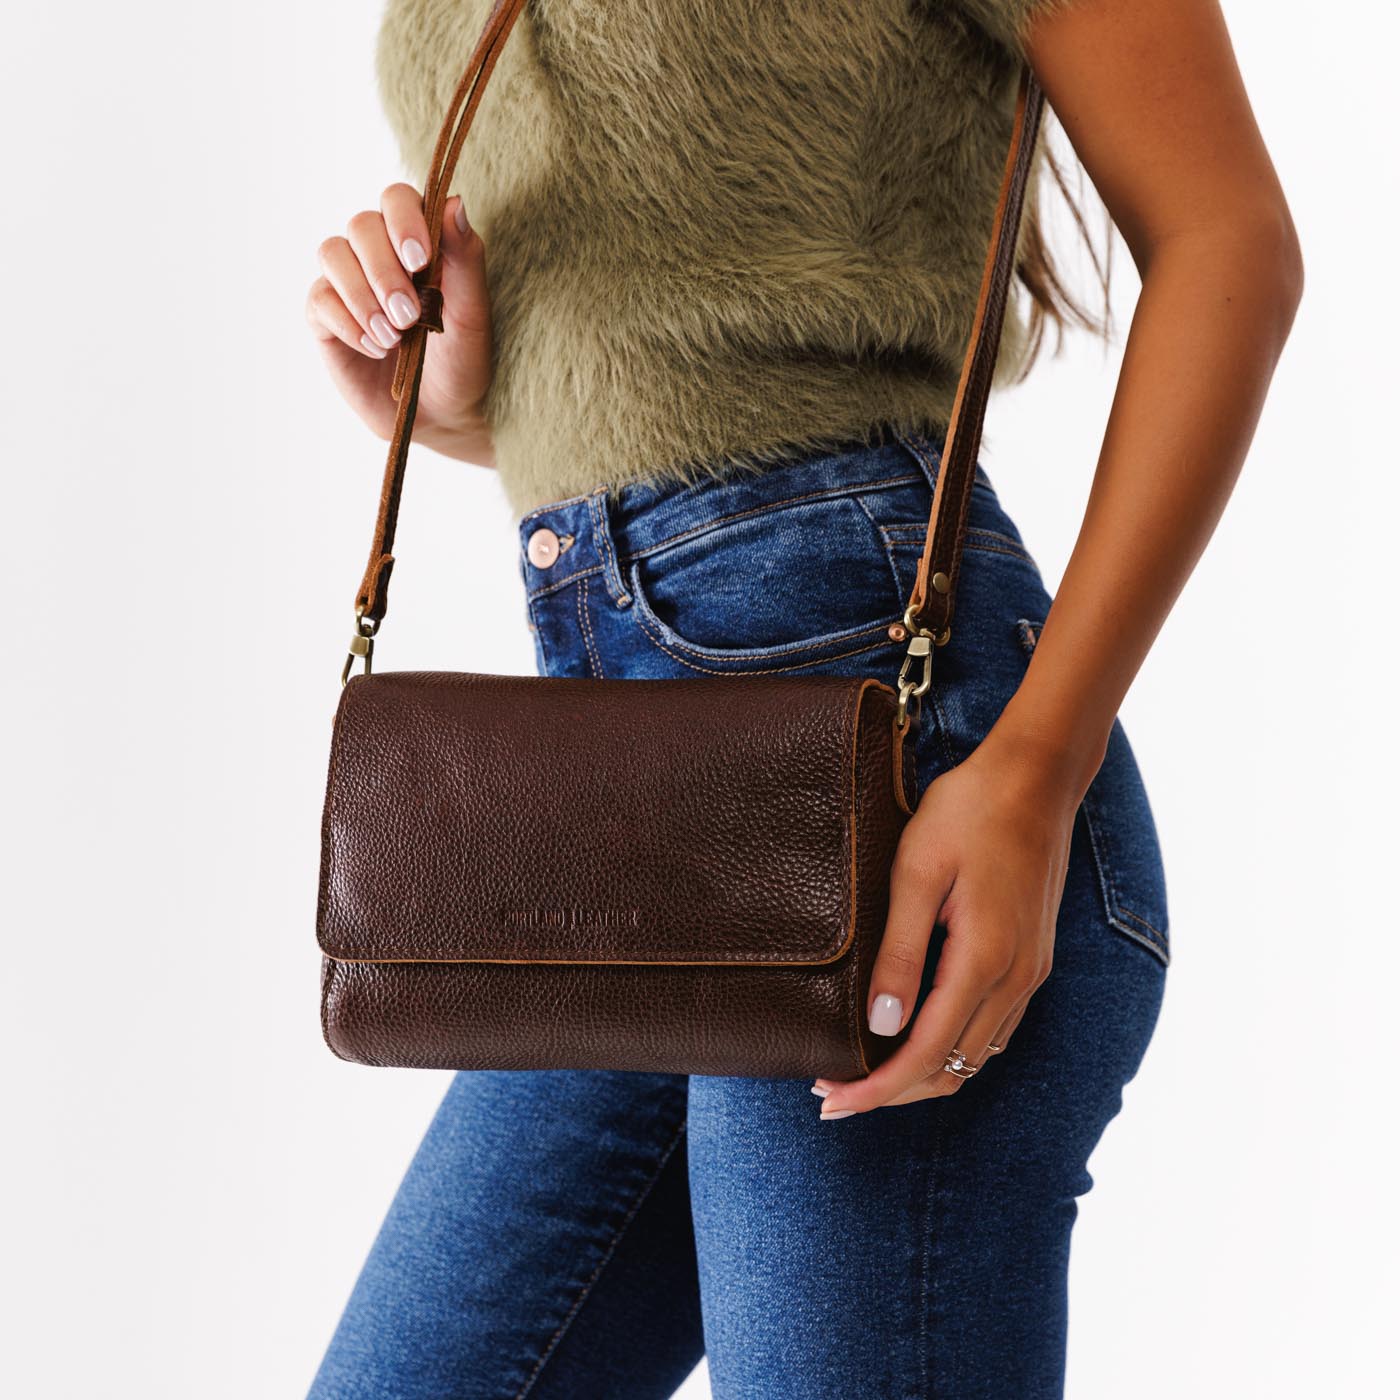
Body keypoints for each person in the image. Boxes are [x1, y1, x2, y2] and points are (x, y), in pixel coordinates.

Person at [304, 0, 1302, 1394]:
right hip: (616, 826)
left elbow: (1229, 238)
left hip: (897, 789)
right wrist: (466, 402)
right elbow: (694, 337)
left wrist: (1033, 774)